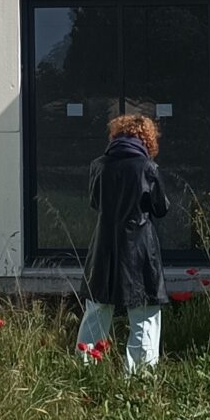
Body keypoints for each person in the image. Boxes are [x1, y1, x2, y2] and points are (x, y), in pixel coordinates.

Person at [76, 111, 170, 374]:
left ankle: (85, 369)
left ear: (115, 135)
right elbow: (160, 207)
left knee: (97, 309)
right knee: (144, 313)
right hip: (140, 248)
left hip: (103, 246)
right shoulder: (148, 168)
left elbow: (95, 202)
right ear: (147, 140)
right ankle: (140, 376)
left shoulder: (99, 165)